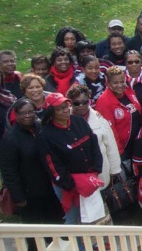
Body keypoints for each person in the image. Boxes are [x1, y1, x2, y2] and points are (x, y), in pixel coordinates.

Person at [0, 98, 63, 234]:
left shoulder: (41, 127)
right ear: (16, 114)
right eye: (23, 113)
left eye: (30, 112)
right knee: (34, 231)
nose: (27, 115)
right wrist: (19, 197)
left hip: (49, 188)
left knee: (55, 225)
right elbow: (8, 171)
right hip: (29, 194)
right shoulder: (10, 139)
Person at [37, 93, 102, 225]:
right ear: (51, 113)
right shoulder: (46, 136)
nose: (66, 110)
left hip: (90, 178)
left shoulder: (79, 121)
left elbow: (94, 145)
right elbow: (53, 165)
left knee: (96, 214)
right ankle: (75, 239)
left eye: (66, 106)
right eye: (60, 109)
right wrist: (71, 184)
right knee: (73, 217)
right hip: (67, 185)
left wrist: (95, 170)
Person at [67, 85, 122, 192]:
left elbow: (111, 146)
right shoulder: (65, 121)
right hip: (79, 175)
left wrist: (114, 170)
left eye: (85, 102)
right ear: (70, 103)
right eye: (76, 103)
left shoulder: (99, 119)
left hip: (101, 171)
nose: (81, 106)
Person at [95, 66, 142, 159]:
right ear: (108, 83)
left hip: (137, 142)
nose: (120, 85)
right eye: (115, 83)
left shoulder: (128, 91)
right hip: (122, 149)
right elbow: (110, 130)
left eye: (122, 81)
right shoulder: (103, 101)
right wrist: (119, 152)